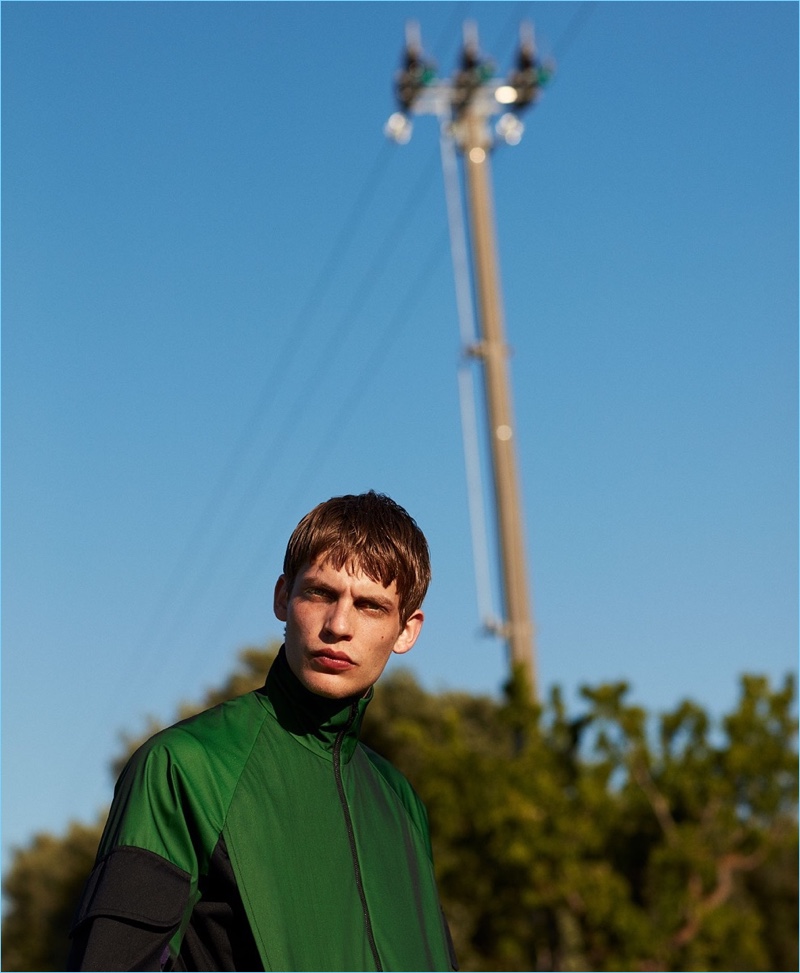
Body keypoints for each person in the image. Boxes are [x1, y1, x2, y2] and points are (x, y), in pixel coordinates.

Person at [68, 491, 458, 972]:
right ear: (283, 598)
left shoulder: (400, 803)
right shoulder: (181, 766)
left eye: (370, 606)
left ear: (407, 631)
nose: (338, 625)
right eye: (319, 593)